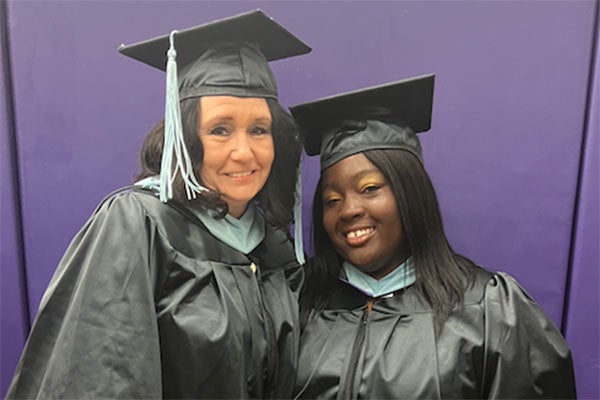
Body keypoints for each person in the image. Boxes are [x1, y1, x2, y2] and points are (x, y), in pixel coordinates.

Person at [6, 10, 310, 399]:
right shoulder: (138, 224)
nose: (243, 151)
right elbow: (101, 376)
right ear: (184, 138)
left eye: (258, 130)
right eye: (220, 129)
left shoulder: (273, 248)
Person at [289, 74, 576, 399]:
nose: (349, 210)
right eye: (332, 200)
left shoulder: (489, 311)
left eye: (370, 188)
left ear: (411, 192)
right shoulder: (300, 307)